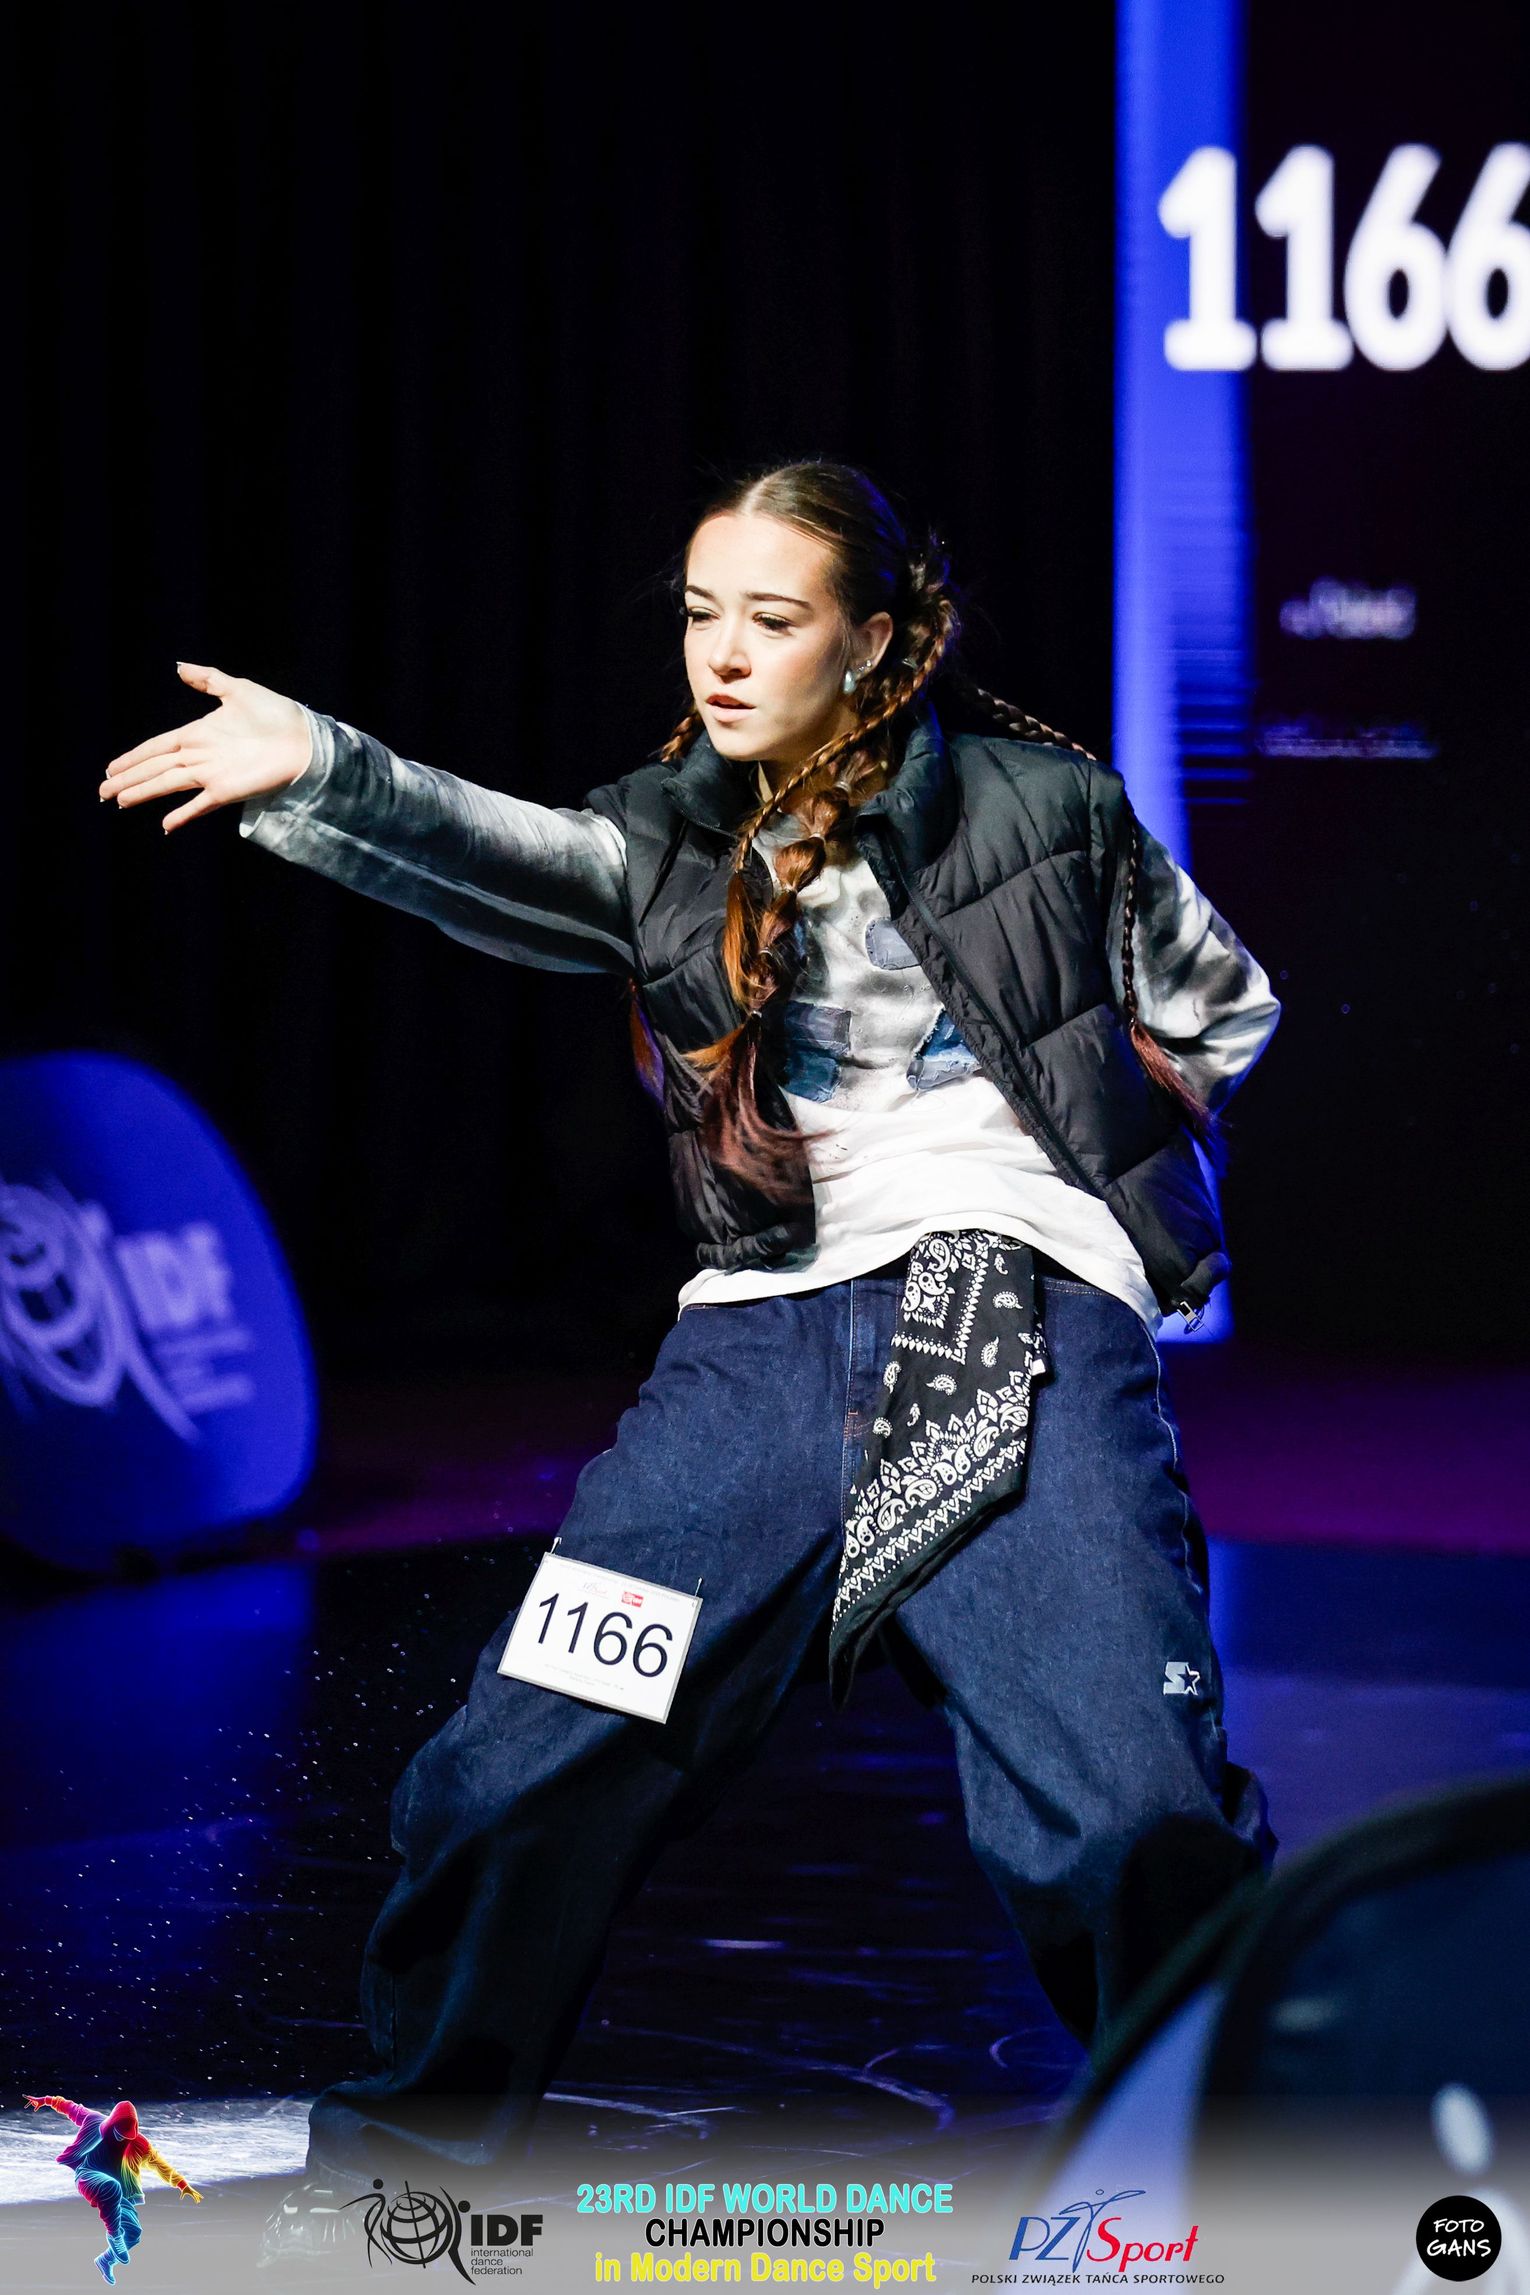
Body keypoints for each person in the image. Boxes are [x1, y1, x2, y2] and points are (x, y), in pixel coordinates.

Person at [103, 460, 1281, 2182]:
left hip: (1004, 1310)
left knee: (1132, 1821)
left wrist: (1090, 1134)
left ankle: (1254, 2189)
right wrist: (328, 766)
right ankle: (400, 2195)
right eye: (699, 613)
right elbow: (506, 856)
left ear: (869, 639)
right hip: (760, 1350)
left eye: (772, 619)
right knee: (513, 1778)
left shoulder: (1050, 804)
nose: (721, 655)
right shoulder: (670, 834)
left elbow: (1224, 1008)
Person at [24, 2093, 201, 2282]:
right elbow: (70, 2107)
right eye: (119, 2134)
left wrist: (181, 2184)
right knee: (111, 2187)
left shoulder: (139, 2143)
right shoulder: (93, 2120)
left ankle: (105, 2260)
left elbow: (159, 2164)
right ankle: (114, 2236)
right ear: (112, 2124)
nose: (122, 2139)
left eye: (127, 2136)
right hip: (88, 2175)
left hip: (120, 2192)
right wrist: (46, 2100)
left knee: (133, 2234)